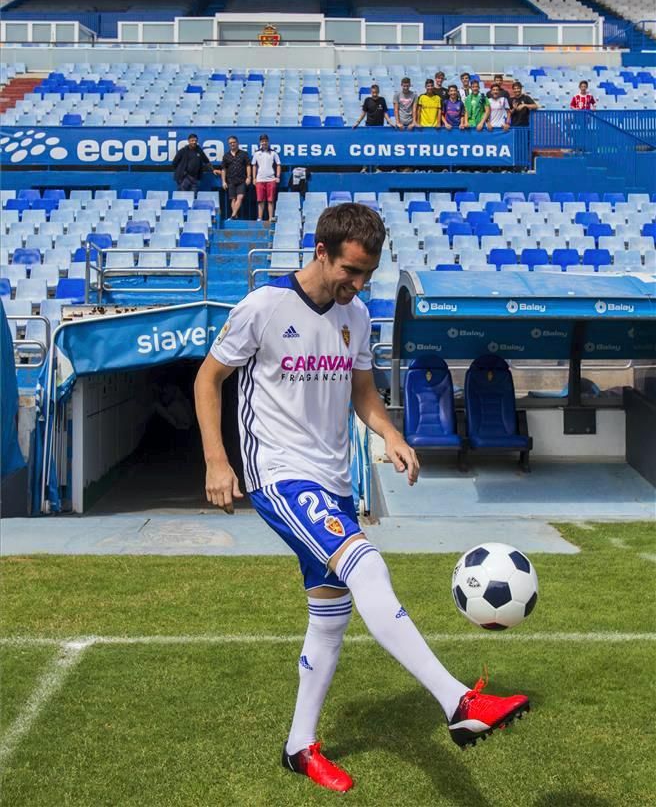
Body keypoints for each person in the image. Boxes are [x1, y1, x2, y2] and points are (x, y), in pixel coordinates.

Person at [195, 203, 531, 793]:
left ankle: (299, 746)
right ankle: (457, 703)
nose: (357, 284)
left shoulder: (356, 314)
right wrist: (218, 461)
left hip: (333, 479)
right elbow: (207, 379)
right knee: (366, 566)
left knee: (330, 615)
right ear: (321, 251)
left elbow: (364, 392)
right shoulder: (264, 307)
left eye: (367, 275)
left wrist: (391, 432)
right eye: (350, 271)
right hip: (278, 474)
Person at [220, 135, 252, 220]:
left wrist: (249, 177)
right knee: (233, 199)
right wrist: (223, 181)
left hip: (242, 180)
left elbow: (248, 166)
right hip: (230, 181)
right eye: (230, 143)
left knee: (240, 197)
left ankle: (233, 215)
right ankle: (235, 216)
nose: (232, 144)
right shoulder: (226, 156)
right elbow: (223, 169)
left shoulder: (244, 154)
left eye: (234, 142)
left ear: (237, 143)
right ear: (228, 144)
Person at [252, 133, 281, 222]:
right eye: (262, 141)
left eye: (265, 141)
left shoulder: (273, 153)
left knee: (270, 200)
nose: (264, 143)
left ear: (268, 142)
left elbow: (278, 165)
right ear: (260, 142)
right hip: (260, 180)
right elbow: (254, 165)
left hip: (271, 180)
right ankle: (260, 218)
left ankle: (270, 218)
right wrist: (254, 178)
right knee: (260, 200)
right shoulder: (256, 153)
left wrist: (278, 176)